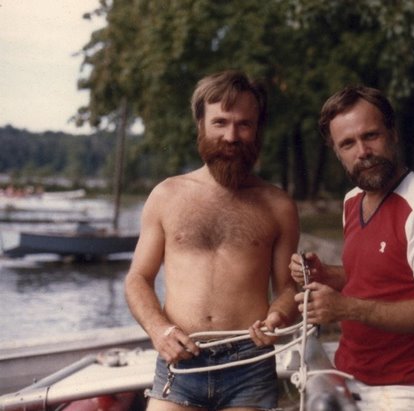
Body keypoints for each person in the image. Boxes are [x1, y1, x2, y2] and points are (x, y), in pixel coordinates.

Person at [125, 70, 300, 411]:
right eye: (220, 122)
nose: (231, 136)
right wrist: (159, 330)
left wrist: (279, 315)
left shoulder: (278, 205)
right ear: (201, 125)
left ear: (257, 129)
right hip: (179, 358)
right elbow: (137, 278)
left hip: (249, 362)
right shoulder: (166, 195)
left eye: (244, 124)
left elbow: (288, 288)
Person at [290, 85, 414, 411]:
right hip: (352, 372)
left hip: (406, 386)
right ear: (337, 152)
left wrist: (346, 308)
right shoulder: (353, 201)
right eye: (347, 144)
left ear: (392, 134)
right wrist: (324, 274)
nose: (362, 151)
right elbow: (373, 279)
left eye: (371, 135)